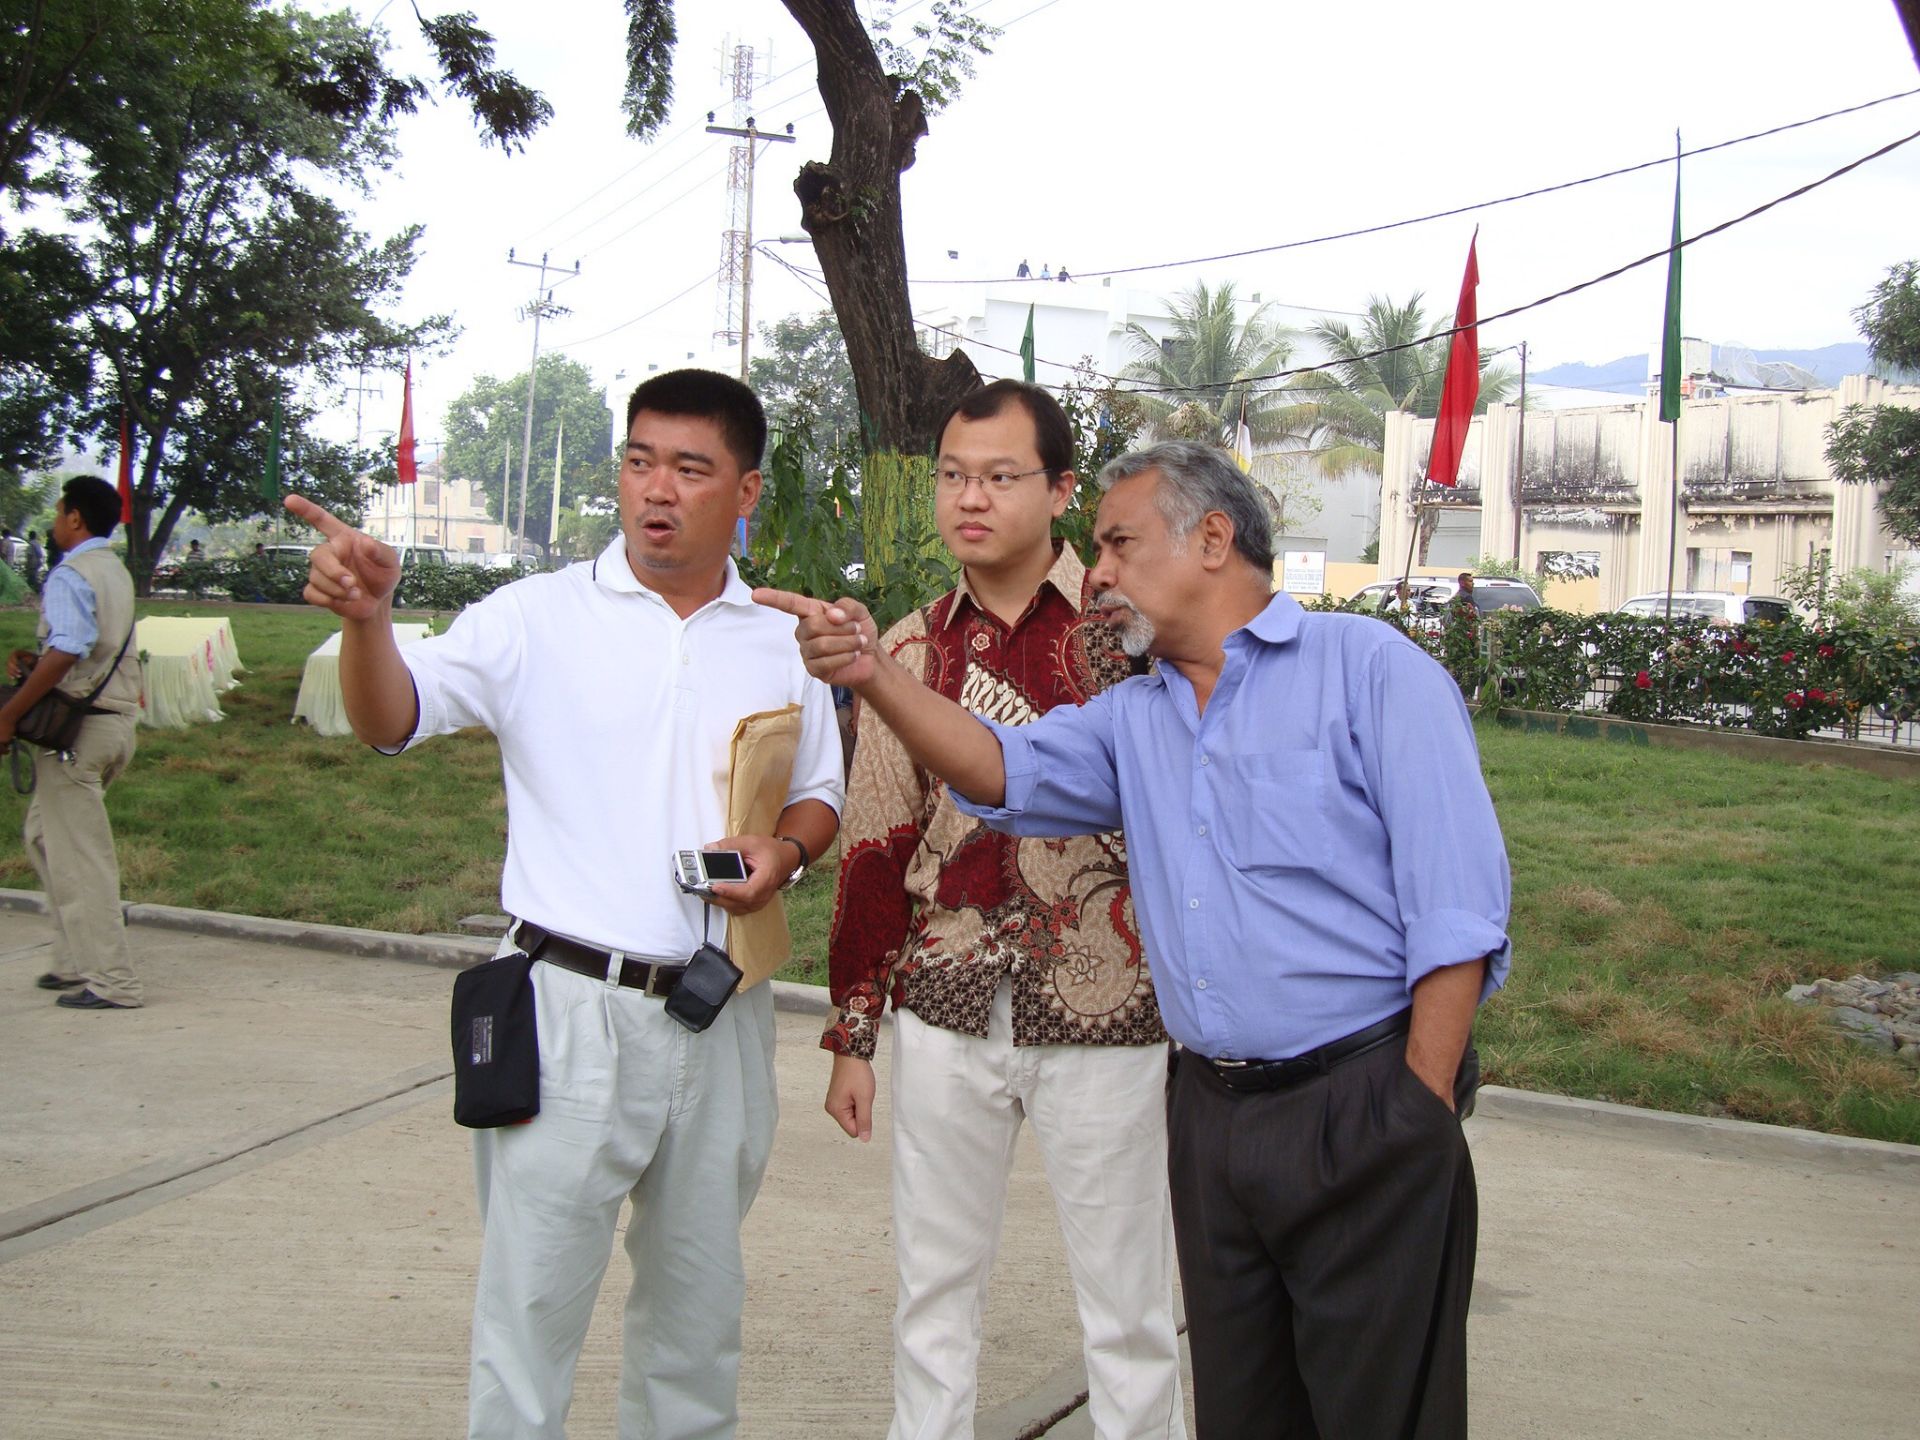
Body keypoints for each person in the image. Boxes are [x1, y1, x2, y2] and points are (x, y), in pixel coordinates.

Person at [758, 439, 1510, 1440]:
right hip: (1213, 1117)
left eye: (1117, 543)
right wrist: (873, 676)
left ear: (1211, 539)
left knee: (1378, 1414)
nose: (1098, 571)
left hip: (1361, 1104)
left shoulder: (1371, 674)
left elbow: (1455, 910)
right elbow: (997, 769)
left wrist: (1415, 1105)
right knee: (1243, 1410)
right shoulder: (1132, 719)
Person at [288, 368, 845, 1440]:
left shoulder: (781, 637)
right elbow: (391, 717)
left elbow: (819, 789)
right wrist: (370, 623)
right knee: (528, 1327)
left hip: (721, 1012)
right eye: (640, 462)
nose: (657, 490)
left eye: (691, 468)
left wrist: (786, 850)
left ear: (747, 490)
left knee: (696, 1329)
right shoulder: (531, 618)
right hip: (566, 1014)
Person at [823, 381, 1183, 1440]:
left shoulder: (1137, 641)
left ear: (1063, 490)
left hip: (1114, 1013)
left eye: (998, 476)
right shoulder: (904, 652)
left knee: (1129, 1311)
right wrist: (854, 1034)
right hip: (945, 1006)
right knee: (931, 1294)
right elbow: (877, 846)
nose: (968, 498)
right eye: (951, 476)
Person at [2, 477, 144, 1010]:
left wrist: (10, 714)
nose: (57, 521)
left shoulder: (70, 573)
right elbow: (91, 647)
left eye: (60, 512)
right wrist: (34, 659)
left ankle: (111, 980)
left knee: (81, 859)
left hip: (76, 736)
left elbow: (68, 648)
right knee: (43, 836)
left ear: (75, 519)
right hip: (114, 725)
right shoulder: (114, 570)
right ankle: (70, 960)